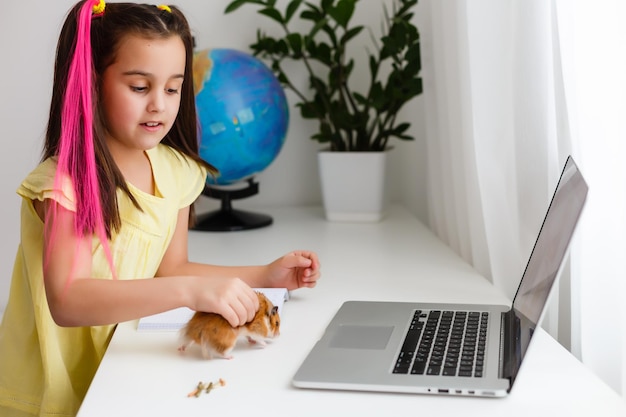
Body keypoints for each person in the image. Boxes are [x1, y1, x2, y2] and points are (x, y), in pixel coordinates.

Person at [0, 1, 321, 416]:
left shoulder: (175, 171)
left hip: (123, 371)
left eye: (172, 88)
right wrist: (189, 293)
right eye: (139, 87)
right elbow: (68, 299)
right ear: (93, 82)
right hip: (49, 393)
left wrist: (264, 275)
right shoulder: (66, 183)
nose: (159, 104)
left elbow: (173, 270)